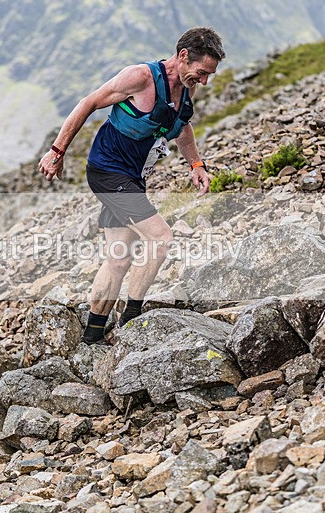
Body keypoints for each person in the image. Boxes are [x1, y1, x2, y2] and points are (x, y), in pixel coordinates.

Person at [38, 28, 224, 345]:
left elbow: (183, 127)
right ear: (183, 56)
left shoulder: (184, 88)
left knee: (119, 259)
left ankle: (92, 336)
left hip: (132, 179)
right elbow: (88, 103)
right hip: (108, 172)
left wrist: (196, 164)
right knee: (161, 238)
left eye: (209, 75)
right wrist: (57, 152)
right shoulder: (140, 77)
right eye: (202, 72)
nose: (204, 80)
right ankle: (131, 322)